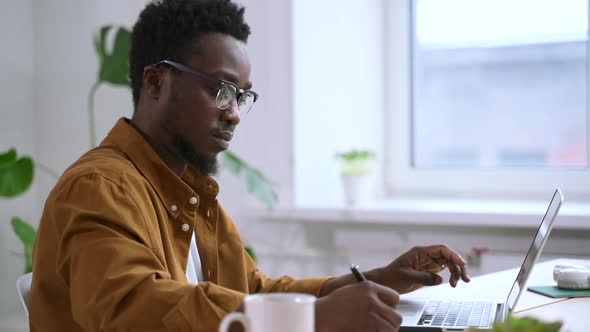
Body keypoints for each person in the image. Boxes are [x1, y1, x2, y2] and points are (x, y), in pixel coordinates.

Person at [28, 0, 470, 331]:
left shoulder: (191, 193)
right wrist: (314, 319)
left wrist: (375, 279)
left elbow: (254, 293)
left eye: (242, 95)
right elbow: (132, 309)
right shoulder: (99, 186)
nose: (234, 112)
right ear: (156, 81)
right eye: (221, 89)